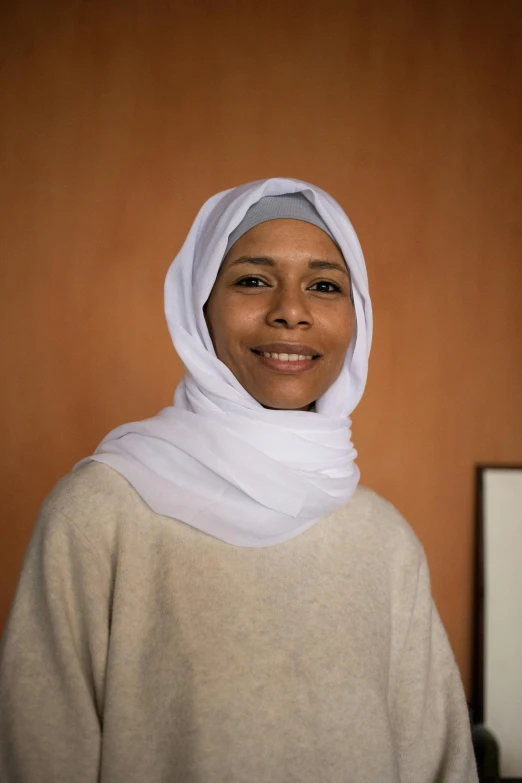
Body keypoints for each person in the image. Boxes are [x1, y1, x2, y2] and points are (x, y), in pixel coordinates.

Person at [0, 178, 477, 782]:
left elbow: (440, 762)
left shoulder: (381, 536)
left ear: (358, 319)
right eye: (253, 280)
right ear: (197, 305)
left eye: (325, 286)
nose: (291, 310)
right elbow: (41, 750)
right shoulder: (99, 512)